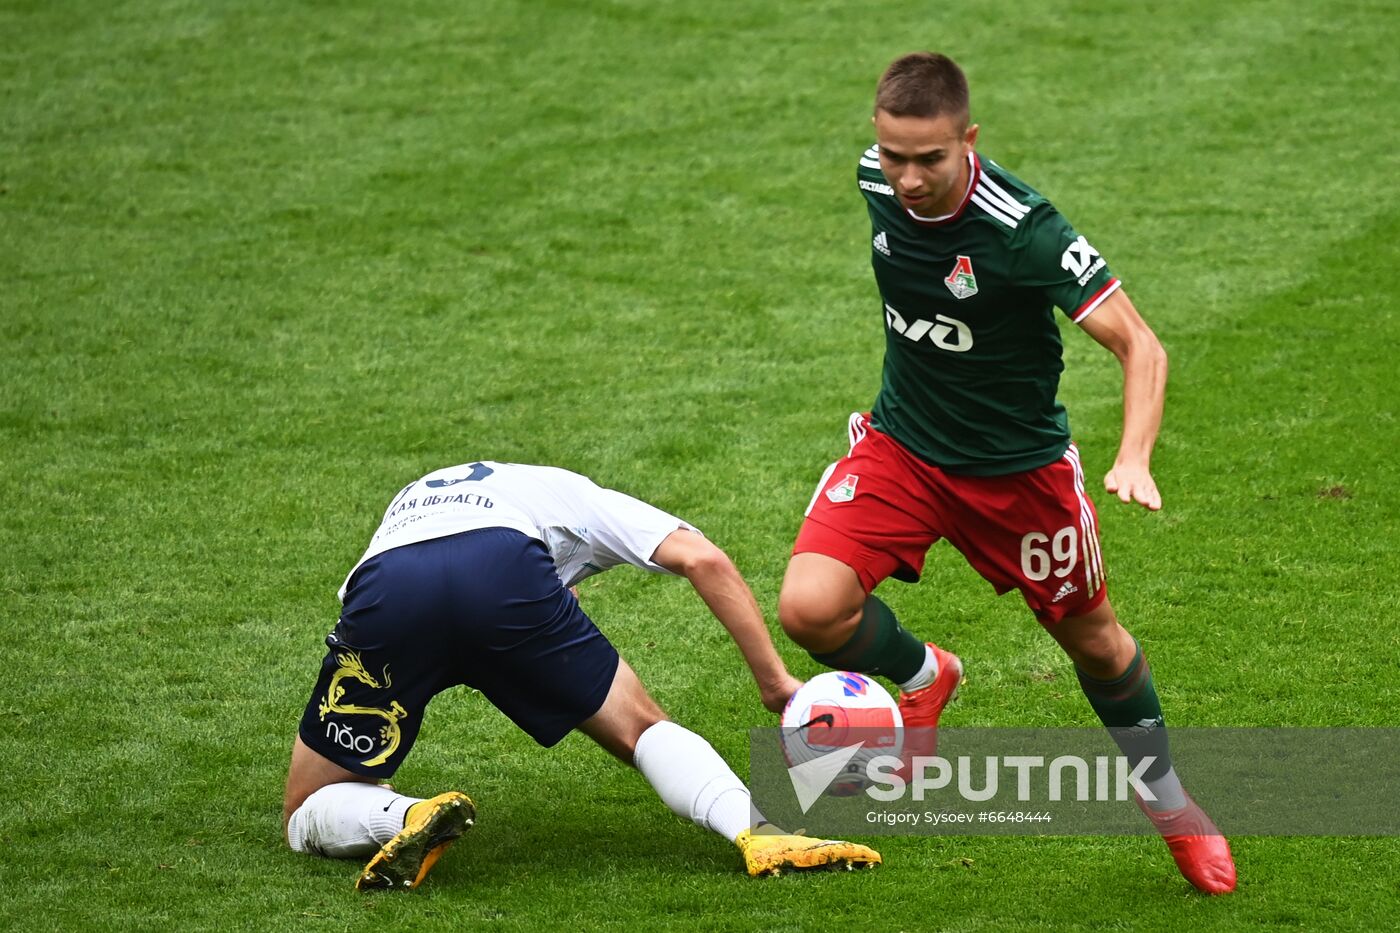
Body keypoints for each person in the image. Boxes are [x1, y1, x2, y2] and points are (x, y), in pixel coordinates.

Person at [775, 52, 1235, 894]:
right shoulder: (873, 181)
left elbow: (1142, 345)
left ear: (969, 141)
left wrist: (1133, 456)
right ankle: (925, 673)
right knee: (809, 607)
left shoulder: (1024, 229)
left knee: (1094, 641)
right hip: (904, 448)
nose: (907, 179)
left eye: (929, 159)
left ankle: (1167, 797)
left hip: (1016, 477)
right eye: (893, 155)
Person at [283, 459, 880, 890]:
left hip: (389, 586)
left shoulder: (442, 495)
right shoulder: (580, 496)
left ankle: (409, 815)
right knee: (641, 727)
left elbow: (368, 602)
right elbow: (703, 558)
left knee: (308, 803)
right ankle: (759, 830)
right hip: (504, 573)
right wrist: (776, 683)